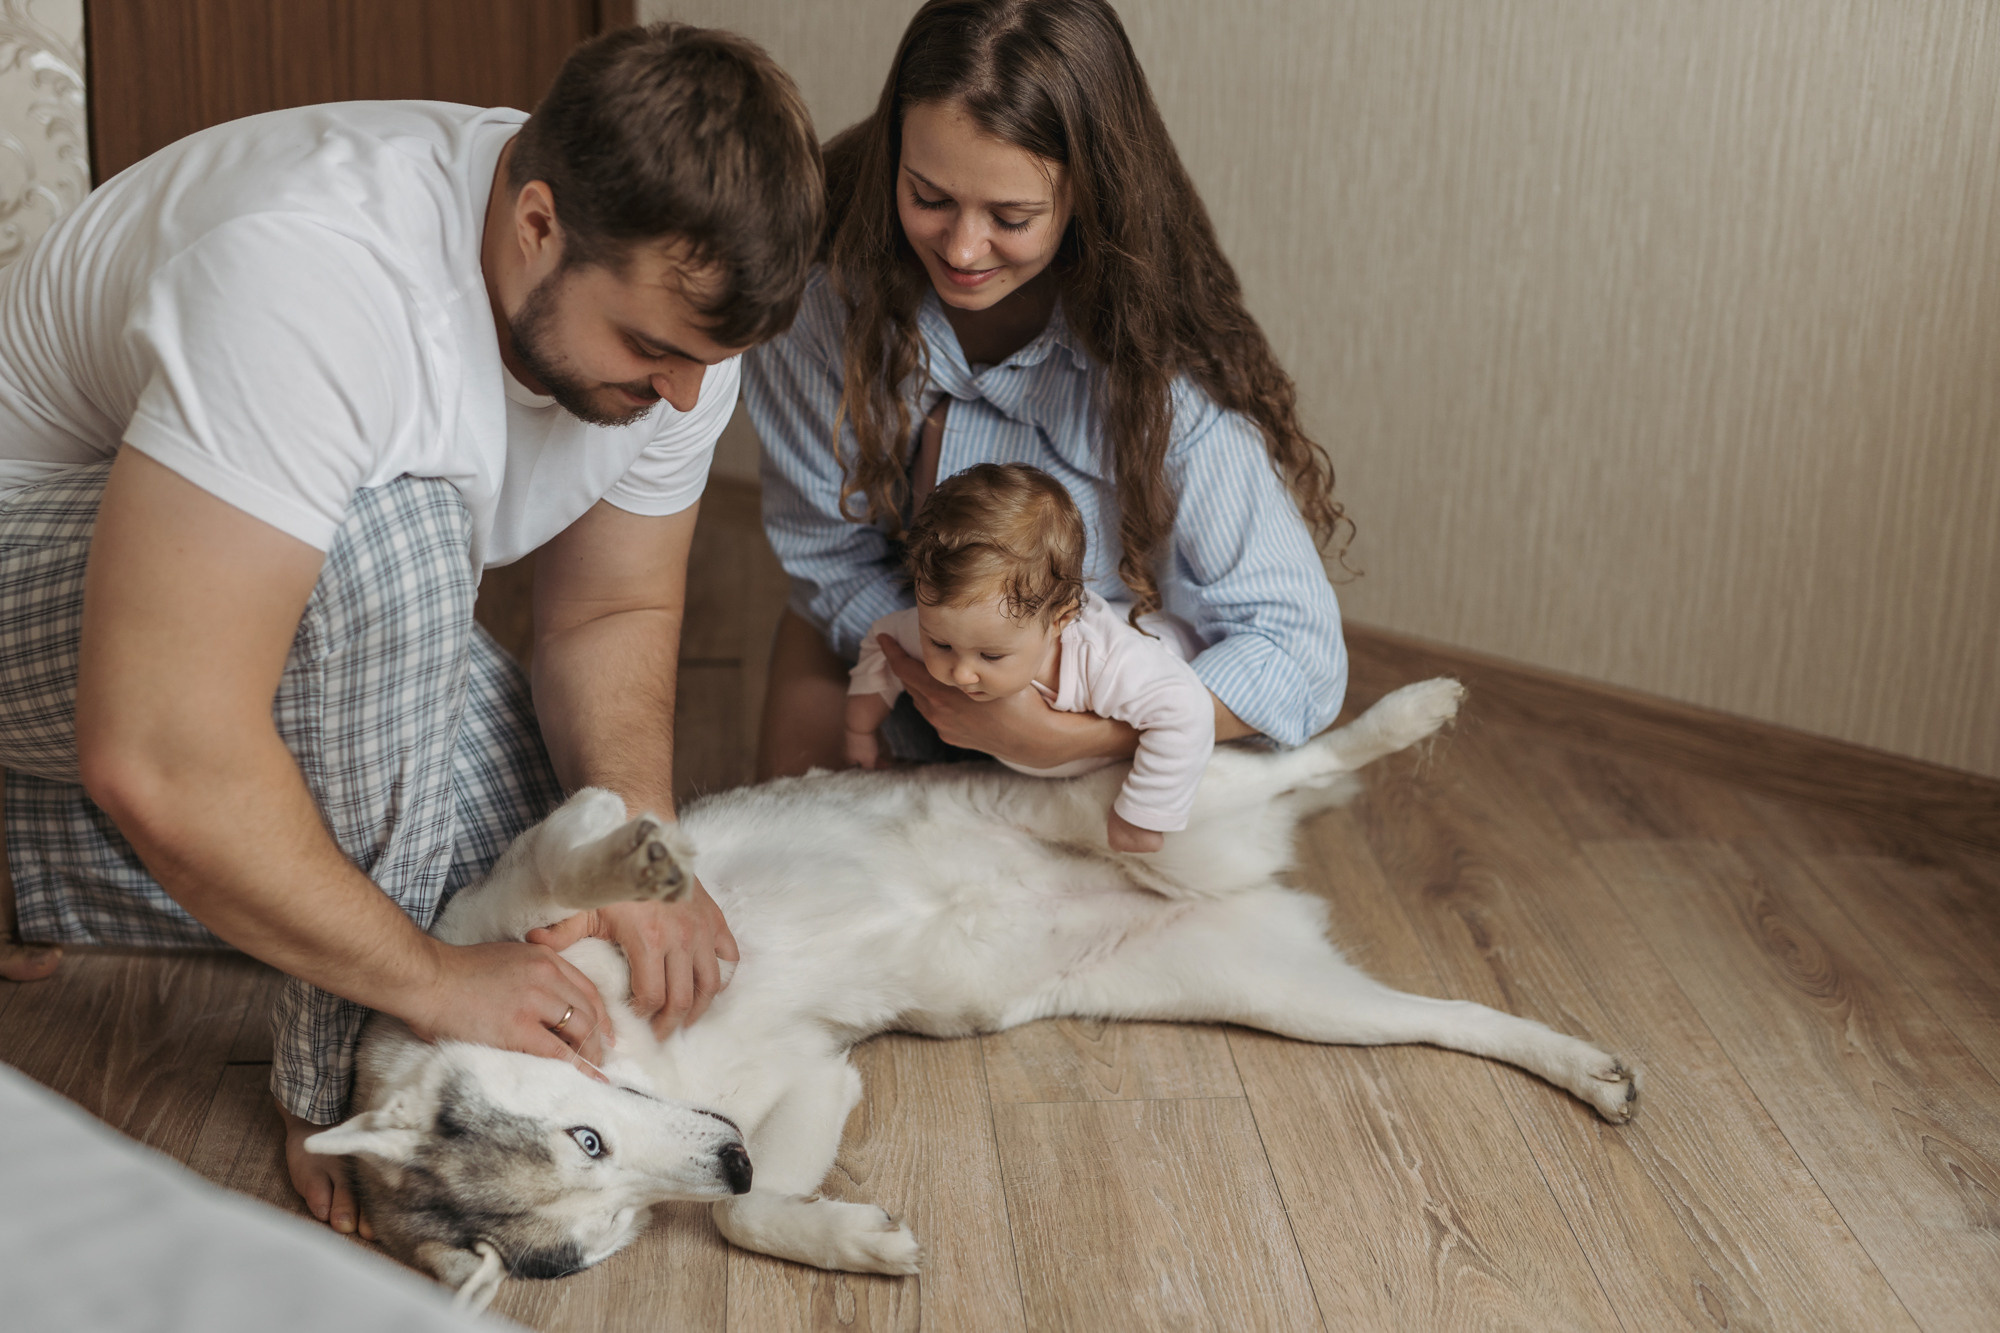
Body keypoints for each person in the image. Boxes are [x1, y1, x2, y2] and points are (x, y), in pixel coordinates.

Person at [0, 24, 822, 1232]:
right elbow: (158, 742)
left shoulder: (677, 335)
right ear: (535, 222)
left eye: (708, 361)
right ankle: (322, 1066)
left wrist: (641, 841)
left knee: (556, 895)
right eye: (651, 350)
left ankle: (26, 863)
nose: (686, 397)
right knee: (393, 553)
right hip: (45, 585)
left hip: (267, 606)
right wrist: (424, 989)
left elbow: (610, 607)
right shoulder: (312, 276)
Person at [745, 0, 1351, 784]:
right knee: (784, 873)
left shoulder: (1158, 368)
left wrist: (1076, 734)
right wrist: (943, 673)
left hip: (1097, 706)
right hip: (889, 652)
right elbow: (828, 559)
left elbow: (1300, 656)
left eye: (1012, 216)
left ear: (1085, 199)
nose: (962, 249)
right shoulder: (821, 296)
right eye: (929, 196)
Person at [845, 463, 1211, 852]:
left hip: (1177, 655)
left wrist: (1141, 815)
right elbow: (881, 641)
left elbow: (1189, 710)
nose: (963, 673)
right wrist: (861, 729)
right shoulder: (950, 628)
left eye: (991, 655)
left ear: (1061, 621)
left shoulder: (1104, 661)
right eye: (940, 645)